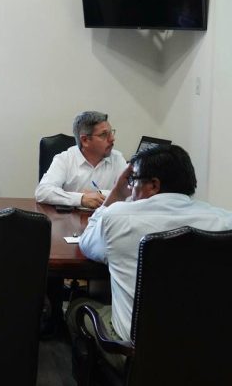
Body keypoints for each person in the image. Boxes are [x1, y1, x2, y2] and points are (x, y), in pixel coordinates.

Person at [66, 145, 232, 371]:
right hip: (212, 350)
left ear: (153, 185)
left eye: (133, 180)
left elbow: (87, 244)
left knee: (77, 307)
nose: (130, 187)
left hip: (139, 353)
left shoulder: (118, 217)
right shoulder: (225, 221)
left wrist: (116, 194)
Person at [35, 111, 126, 208]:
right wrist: (81, 199)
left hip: (106, 217)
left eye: (111, 132)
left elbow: (132, 194)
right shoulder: (65, 159)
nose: (112, 138)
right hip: (70, 217)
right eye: (104, 135)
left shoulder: (117, 159)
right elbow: (42, 192)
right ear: (85, 140)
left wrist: (99, 194)